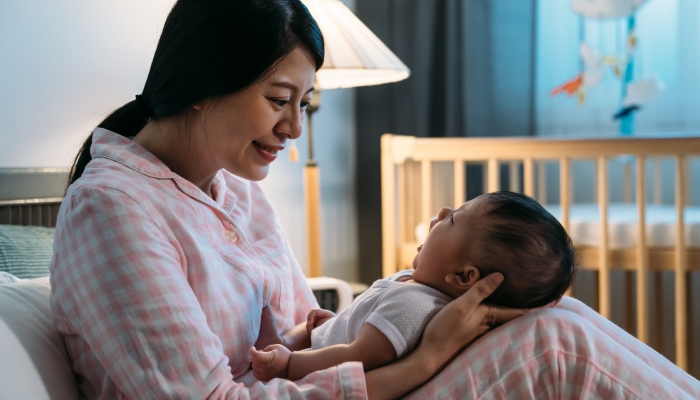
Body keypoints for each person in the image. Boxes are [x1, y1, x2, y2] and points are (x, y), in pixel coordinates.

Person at [49, 0, 699, 398]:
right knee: (557, 346)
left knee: (559, 318)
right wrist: (430, 358)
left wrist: (418, 323)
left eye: (303, 104)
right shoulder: (115, 209)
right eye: (279, 101)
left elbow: (306, 326)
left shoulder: (236, 191)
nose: (295, 129)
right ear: (202, 80)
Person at [249, 191, 577, 381]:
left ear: (464, 278)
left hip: (311, 368)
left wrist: (289, 364)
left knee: (268, 339)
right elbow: (367, 317)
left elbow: (358, 356)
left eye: (453, 220)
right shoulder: (414, 284)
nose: (443, 211)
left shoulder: (415, 307)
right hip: (317, 342)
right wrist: (337, 322)